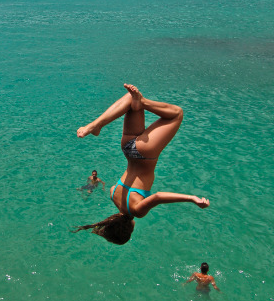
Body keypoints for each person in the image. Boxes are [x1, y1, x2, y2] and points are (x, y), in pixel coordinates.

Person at [73, 83, 209, 245]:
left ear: (128, 229)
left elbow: (158, 197)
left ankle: (142, 102)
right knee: (131, 100)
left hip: (145, 153)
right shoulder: (112, 194)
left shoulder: (137, 210)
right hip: (128, 147)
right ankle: (96, 125)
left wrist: (192, 199)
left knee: (176, 114)